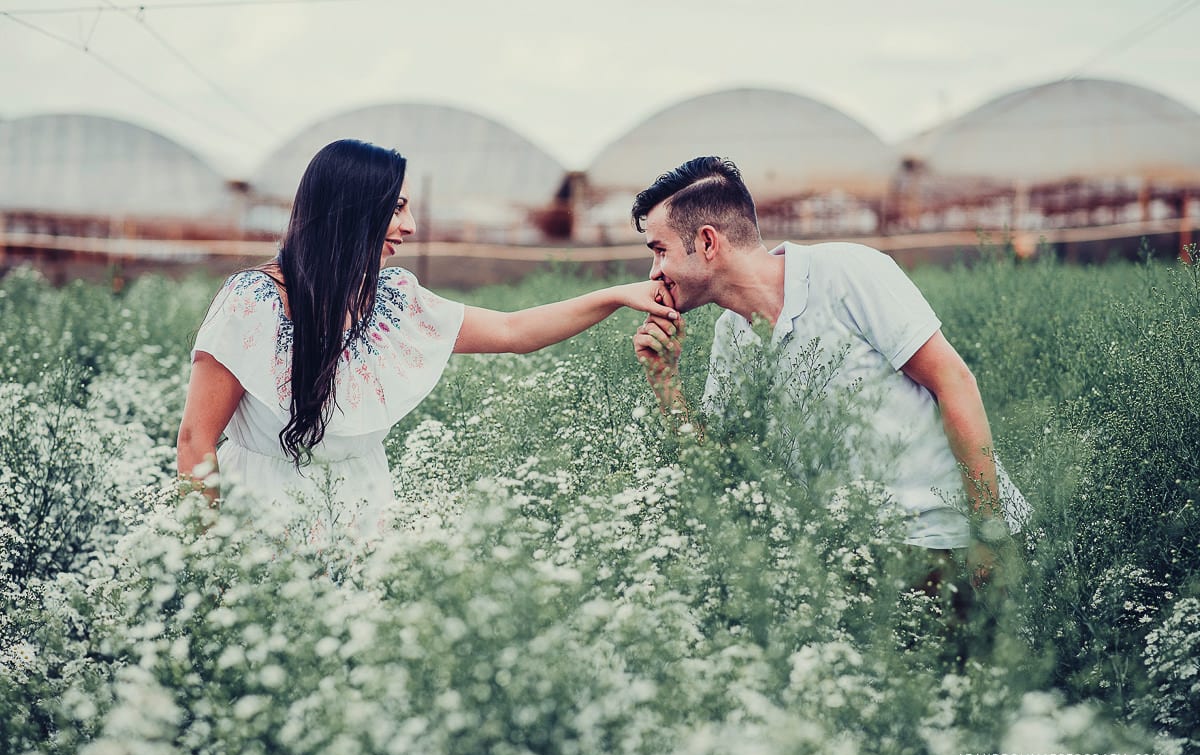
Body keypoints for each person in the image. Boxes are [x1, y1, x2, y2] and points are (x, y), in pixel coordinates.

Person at [177, 138, 678, 534]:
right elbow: (196, 438)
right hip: (262, 524)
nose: (410, 225)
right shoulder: (253, 301)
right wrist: (209, 560)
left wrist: (614, 296)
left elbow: (512, 329)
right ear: (351, 210)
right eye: (396, 208)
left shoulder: (393, 299)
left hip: (362, 519)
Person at [630, 156, 1026, 588]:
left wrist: (989, 531)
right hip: (852, 560)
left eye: (659, 250)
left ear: (708, 242)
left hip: (951, 544)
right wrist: (665, 383)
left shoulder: (847, 272)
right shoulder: (731, 335)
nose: (655, 273)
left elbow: (955, 383)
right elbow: (722, 470)